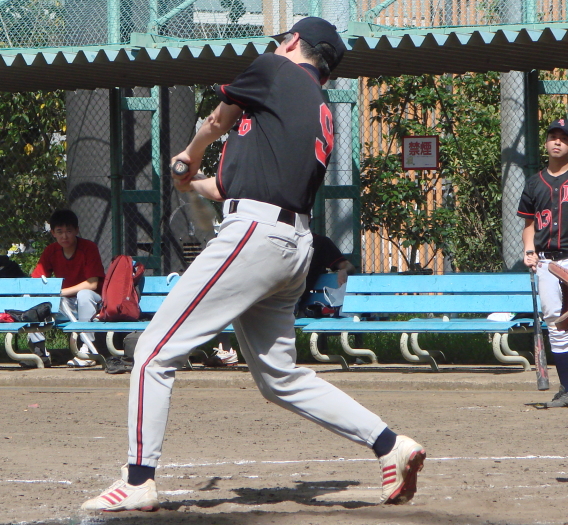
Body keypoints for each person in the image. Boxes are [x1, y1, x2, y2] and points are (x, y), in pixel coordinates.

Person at [80, 17, 425, 512]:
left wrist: (191, 152)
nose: (277, 45)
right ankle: (390, 445)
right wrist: (190, 181)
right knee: (278, 376)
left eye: (283, 40)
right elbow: (225, 188)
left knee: (153, 352)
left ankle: (137, 481)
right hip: (292, 244)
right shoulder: (312, 104)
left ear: (294, 42)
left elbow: (216, 122)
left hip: (256, 235)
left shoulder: (275, 70)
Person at [518, 117, 568, 408]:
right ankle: (566, 388)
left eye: (564, 137)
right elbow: (528, 224)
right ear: (546, 143)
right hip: (547, 263)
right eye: (553, 137)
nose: (557, 141)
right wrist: (529, 250)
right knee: (555, 324)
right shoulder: (534, 183)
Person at [27, 209, 105, 368]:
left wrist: (60, 293)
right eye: (59, 231)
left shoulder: (89, 248)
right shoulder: (51, 251)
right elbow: (36, 281)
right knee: (29, 299)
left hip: (93, 303)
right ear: (53, 233)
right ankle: (39, 353)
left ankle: (87, 351)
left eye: (69, 231)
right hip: (64, 304)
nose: (64, 236)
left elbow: (92, 284)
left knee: (84, 294)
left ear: (77, 230)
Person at [298, 232, 356, 315]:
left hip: (289, 301)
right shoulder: (278, 241)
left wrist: (344, 270)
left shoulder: (318, 242)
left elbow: (348, 266)